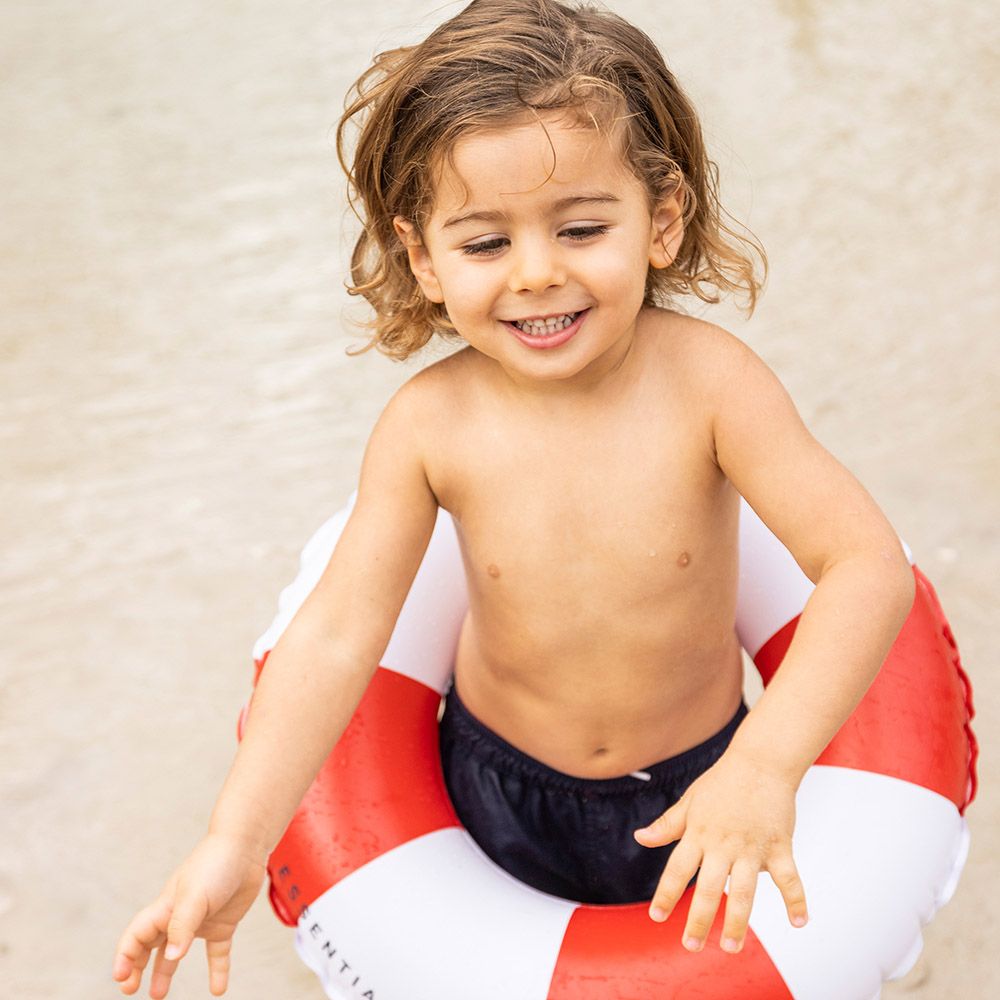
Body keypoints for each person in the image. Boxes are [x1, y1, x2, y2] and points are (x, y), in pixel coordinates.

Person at [113, 1, 916, 996]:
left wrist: (764, 763)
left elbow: (865, 566)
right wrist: (234, 839)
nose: (538, 273)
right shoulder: (431, 425)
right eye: (485, 244)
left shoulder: (712, 387)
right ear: (421, 256)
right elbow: (335, 635)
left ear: (660, 219)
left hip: (703, 772)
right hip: (493, 784)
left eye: (581, 227)